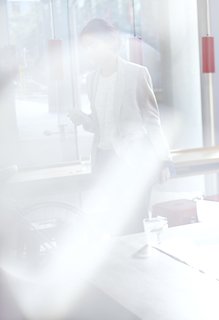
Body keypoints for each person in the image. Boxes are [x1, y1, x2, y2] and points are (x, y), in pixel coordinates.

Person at [68, 18, 174, 236]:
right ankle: (129, 268)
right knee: (117, 221)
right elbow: (100, 126)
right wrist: (82, 118)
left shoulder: (136, 73)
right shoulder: (91, 79)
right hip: (105, 161)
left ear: (109, 41)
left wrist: (164, 160)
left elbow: (152, 121)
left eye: (93, 44)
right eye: (86, 46)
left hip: (134, 159)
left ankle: (144, 267)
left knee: (136, 220)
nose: (90, 51)